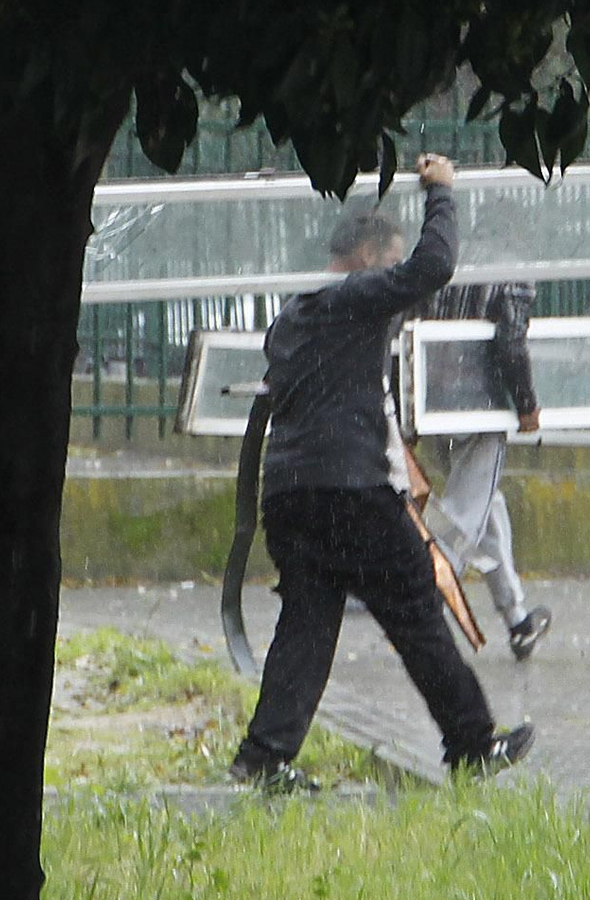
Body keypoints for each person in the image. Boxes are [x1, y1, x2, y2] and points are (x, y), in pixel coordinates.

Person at [229, 154, 535, 792]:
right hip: (352, 491)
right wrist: (440, 193)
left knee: (308, 624)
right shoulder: (356, 297)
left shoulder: (294, 315)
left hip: (288, 494)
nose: (398, 284)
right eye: (388, 263)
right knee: (418, 610)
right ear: (367, 258)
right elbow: (435, 266)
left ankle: (263, 758)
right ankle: (473, 747)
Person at [418, 281, 555, 661]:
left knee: (484, 508)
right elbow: (511, 340)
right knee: (464, 517)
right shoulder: (512, 273)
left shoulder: (451, 261)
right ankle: (422, 607)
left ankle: (517, 619)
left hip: (435, 407)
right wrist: (527, 403)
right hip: (479, 409)